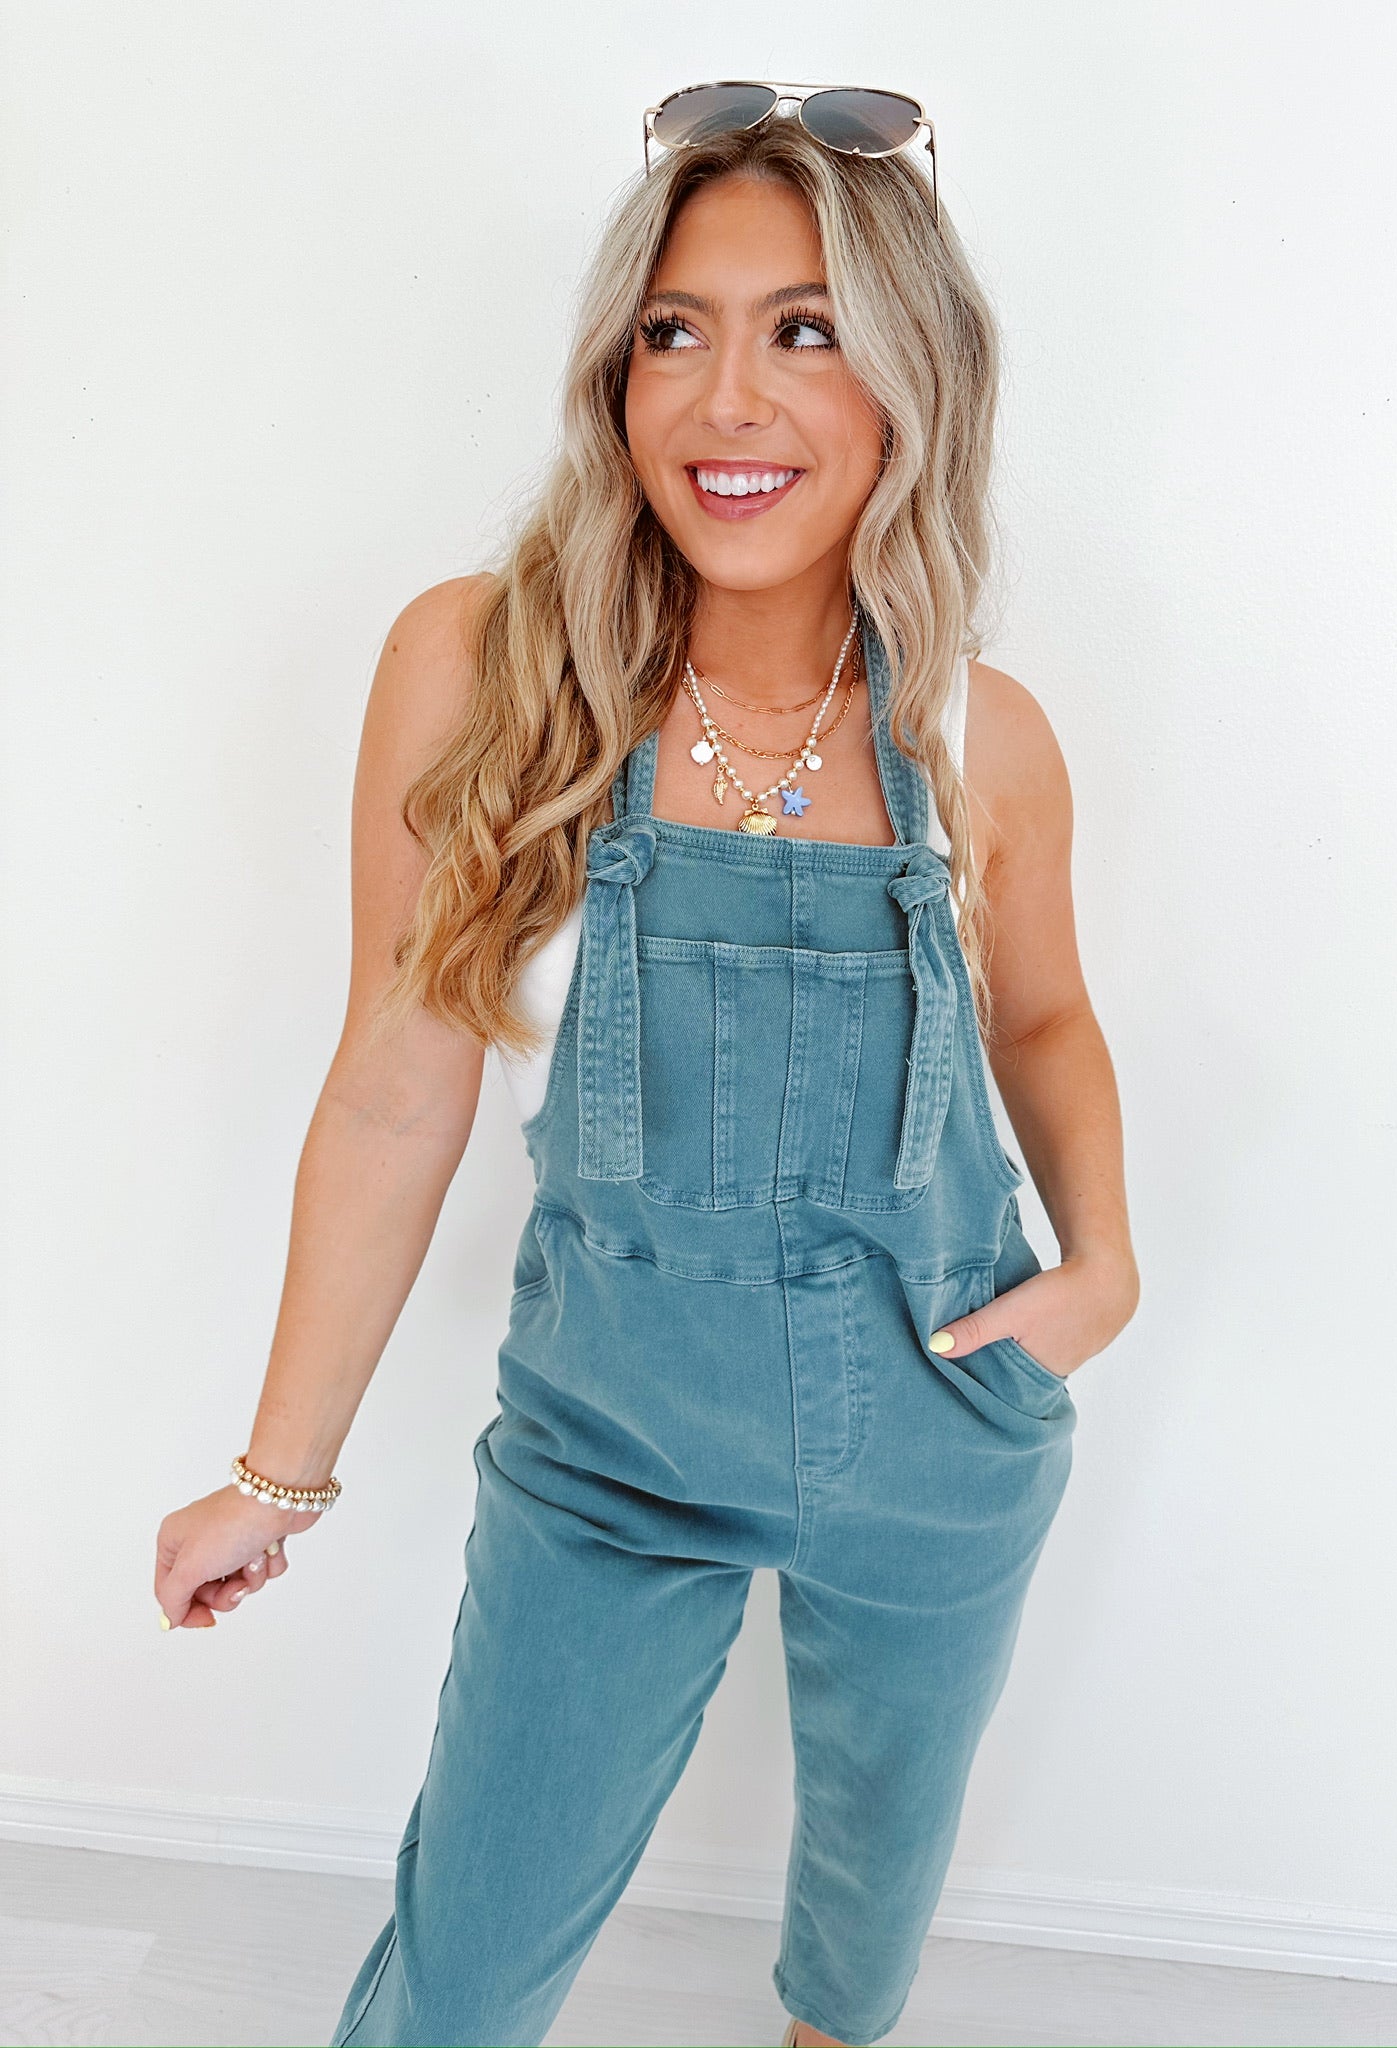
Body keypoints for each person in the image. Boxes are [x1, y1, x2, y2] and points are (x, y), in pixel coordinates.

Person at [153, 85, 1139, 2048]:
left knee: (861, 1938)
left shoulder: (978, 733)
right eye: (676, 330)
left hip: (938, 1422)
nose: (727, 399)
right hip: (611, 1447)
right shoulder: (487, 672)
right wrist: (278, 1470)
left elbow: (1042, 1015)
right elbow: (393, 1083)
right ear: (616, 371)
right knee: (462, 1971)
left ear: (913, 381)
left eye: (806, 331)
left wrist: (1099, 1265)